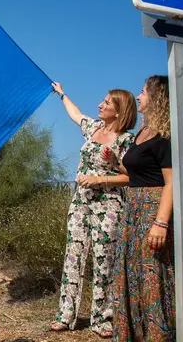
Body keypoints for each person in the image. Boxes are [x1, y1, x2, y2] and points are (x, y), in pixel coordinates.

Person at [108, 75, 183, 341]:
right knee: (131, 271)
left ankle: (157, 335)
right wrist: (115, 162)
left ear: (158, 98)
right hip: (133, 209)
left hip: (152, 209)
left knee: (151, 273)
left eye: (143, 92)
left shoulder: (165, 138)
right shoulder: (142, 134)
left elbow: (172, 182)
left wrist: (160, 223)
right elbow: (139, 173)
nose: (138, 96)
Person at [49, 82, 137, 338]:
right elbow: (76, 115)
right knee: (73, 255)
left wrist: (105, 174)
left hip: (108, 205)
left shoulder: (126, 140)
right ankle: (66, 315)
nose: (100, 105)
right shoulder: (94, 128)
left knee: (104, 259)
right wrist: (62, 94)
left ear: (119, 111)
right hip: (81, 202)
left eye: (107, 102)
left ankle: (102, 318)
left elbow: (132, 176)